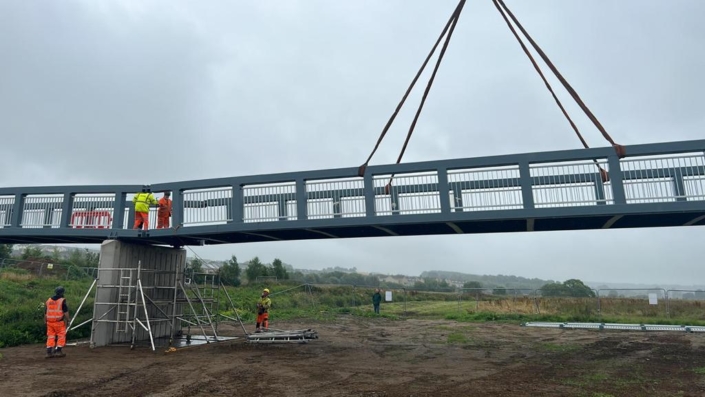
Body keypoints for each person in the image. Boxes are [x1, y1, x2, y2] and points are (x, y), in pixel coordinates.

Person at [45, 286, 69, 358]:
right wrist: (68, 320)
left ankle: (49, 352)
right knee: (61, 336)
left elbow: (46, 312)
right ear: (62, 293)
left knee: (50, 336)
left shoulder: (49, 301)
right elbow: (65, 312)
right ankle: (58, 351)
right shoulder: (62, 301)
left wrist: (45, 320)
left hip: (49, 322)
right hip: (58, 322)